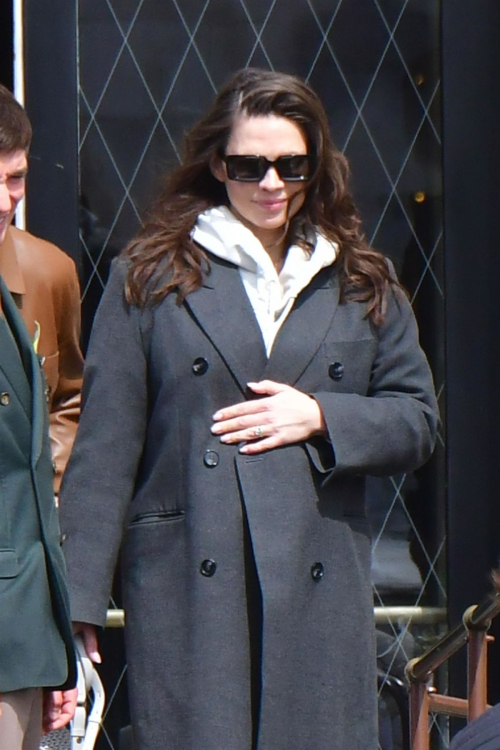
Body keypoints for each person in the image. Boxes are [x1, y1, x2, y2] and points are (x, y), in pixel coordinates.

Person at [59, 68, 439, 750]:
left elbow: (418, 421)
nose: (271, 184)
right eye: (250, 164)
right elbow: (105, 449)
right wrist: (79, 601)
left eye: (291, 166)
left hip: (318, 581)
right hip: (192, 578)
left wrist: (322, 416)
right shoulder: (150, 276)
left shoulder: (359, 281)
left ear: (314, 167)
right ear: (216, 163)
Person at [0, 276, 77, 748]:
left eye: (15, 192)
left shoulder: (26, 279)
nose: (5, 199)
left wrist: (50, 641)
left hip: (23, 629)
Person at [0, 83, 84, 496]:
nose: (4, 201)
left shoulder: (50, 271)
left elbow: (69, 399)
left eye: (16, 178)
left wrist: (42, 493)